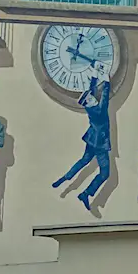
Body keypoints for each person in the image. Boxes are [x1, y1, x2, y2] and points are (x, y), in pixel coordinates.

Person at [52, 65, 112, 210]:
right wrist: (106, 80)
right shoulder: (99, 110)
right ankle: (86, 193)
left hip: (91, 138)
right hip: (100, 143)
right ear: (88, 101)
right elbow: (105, 95)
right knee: (105, 173)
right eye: (91, 98)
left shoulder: (90, 108)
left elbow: (91, 90)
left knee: (84, 160)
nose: (93, 97)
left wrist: (95, 74)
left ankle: (65, 177)